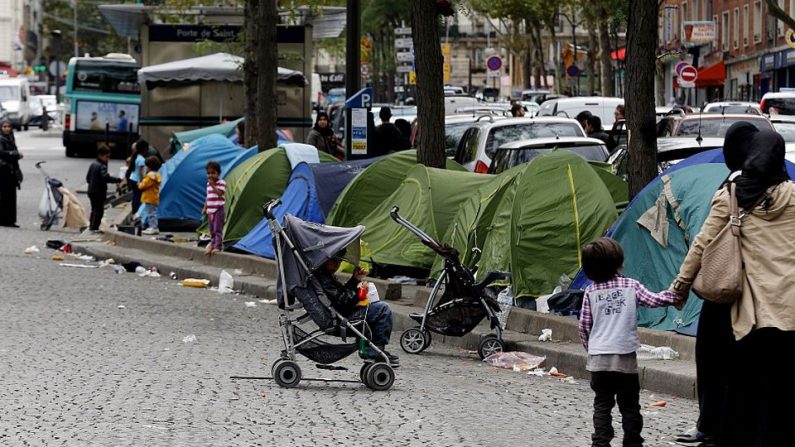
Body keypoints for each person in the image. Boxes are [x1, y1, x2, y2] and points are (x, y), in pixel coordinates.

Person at [669, 122, 795, 447]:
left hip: (748, 313)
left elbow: (702, 243)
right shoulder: (794, 196)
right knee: (780, 389)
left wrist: (680, 286)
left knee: (742, 388)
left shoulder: (733, 195)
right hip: (789, 309)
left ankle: (716, 428)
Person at [579, 237, 684, 447]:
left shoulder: (590, 291)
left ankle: (600, 442)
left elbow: (584, 326)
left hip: (599, 360)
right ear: (619, 263)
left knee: (602, 404)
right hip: (625, 359)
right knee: (629, 406)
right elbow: (654, 300)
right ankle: (632, 441)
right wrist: (675, 296)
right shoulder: (630, 285)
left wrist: (591, 349)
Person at [317, 252, 399, 366]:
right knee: (383, 309)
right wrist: (360, 293)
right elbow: (343, 301)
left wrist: (355, 280)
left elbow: (341, 295)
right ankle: (375, 351)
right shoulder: (323, 279)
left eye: (339, 261)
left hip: (340, 314)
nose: (337, 264)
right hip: (339, 318)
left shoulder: (325, 276)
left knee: (376, 307)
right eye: (334, 261)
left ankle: (371, 350)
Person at [85, 146, 121, 233]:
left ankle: (91, 226)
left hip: (91, 190)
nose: (108, 159)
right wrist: (117, 180)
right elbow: (105, 177)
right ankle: (94, 227)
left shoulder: (93, 164)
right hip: (99, 192)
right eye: (107, 157)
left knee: (94, 209)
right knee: (99, 211)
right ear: (101, 155)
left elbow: (88, 178)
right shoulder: (102, 166)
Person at [0, 120, 23, 227]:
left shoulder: (10, 138)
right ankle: (4, 220)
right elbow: (1, 153)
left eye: (8, 127)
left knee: (11, 197)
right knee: (5, 196)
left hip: (11, 170)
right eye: (4, 127)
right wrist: (14, 153)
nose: (7, 129)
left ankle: (10, 220)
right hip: (3, 170)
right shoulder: (1, 139)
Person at [201, 161, 226, 256]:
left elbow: (220, 193)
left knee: (217, 229)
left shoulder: (221, 183)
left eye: (213, 173)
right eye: (208, 173)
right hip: (210, 210)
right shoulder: (208, 184)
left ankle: (217, 246)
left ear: (218, 173)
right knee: (211, 230)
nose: (210, 175)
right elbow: (208, 197)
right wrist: (205, 207)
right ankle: (212, 243)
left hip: (218, 209)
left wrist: (213, 185)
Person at [137, 156, 162, 235]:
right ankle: (153, 226)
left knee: (151, 213)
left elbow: (143, 185)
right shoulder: (156, 175)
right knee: (152, 213)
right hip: (153, 197)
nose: (145, 168)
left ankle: (154, 227)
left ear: (149, 167)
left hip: (149, 198)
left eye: (146, 166)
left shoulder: (150, 176)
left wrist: (139, 184)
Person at [128, 139, 148, 215]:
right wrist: (142, 182)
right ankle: (136, 212)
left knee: (135, 196)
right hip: (137, 180)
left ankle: (134, 211)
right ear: (144, 149)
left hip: (132, 178)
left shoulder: (136, 157)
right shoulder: (142, 160)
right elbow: (140, 172)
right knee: (137, 197)